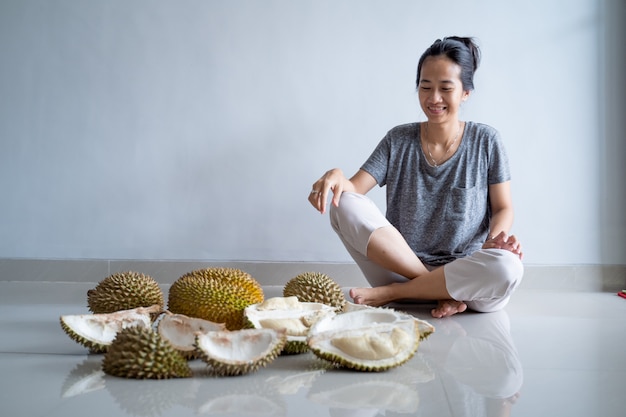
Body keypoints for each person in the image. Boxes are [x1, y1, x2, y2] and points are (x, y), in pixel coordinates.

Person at [308, 36, 524, 318]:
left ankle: (397, 295)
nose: (434, 98)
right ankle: (434, 291)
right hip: (400, 268)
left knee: (508, 267)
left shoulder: (486, 140)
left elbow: (503, 208)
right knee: (342, 202)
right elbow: (353, 189)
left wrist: (494, 241)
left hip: (467, 275)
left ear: (466, 92)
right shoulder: (398, 139)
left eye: (446, 88)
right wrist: (336, 176)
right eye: (425, 87)